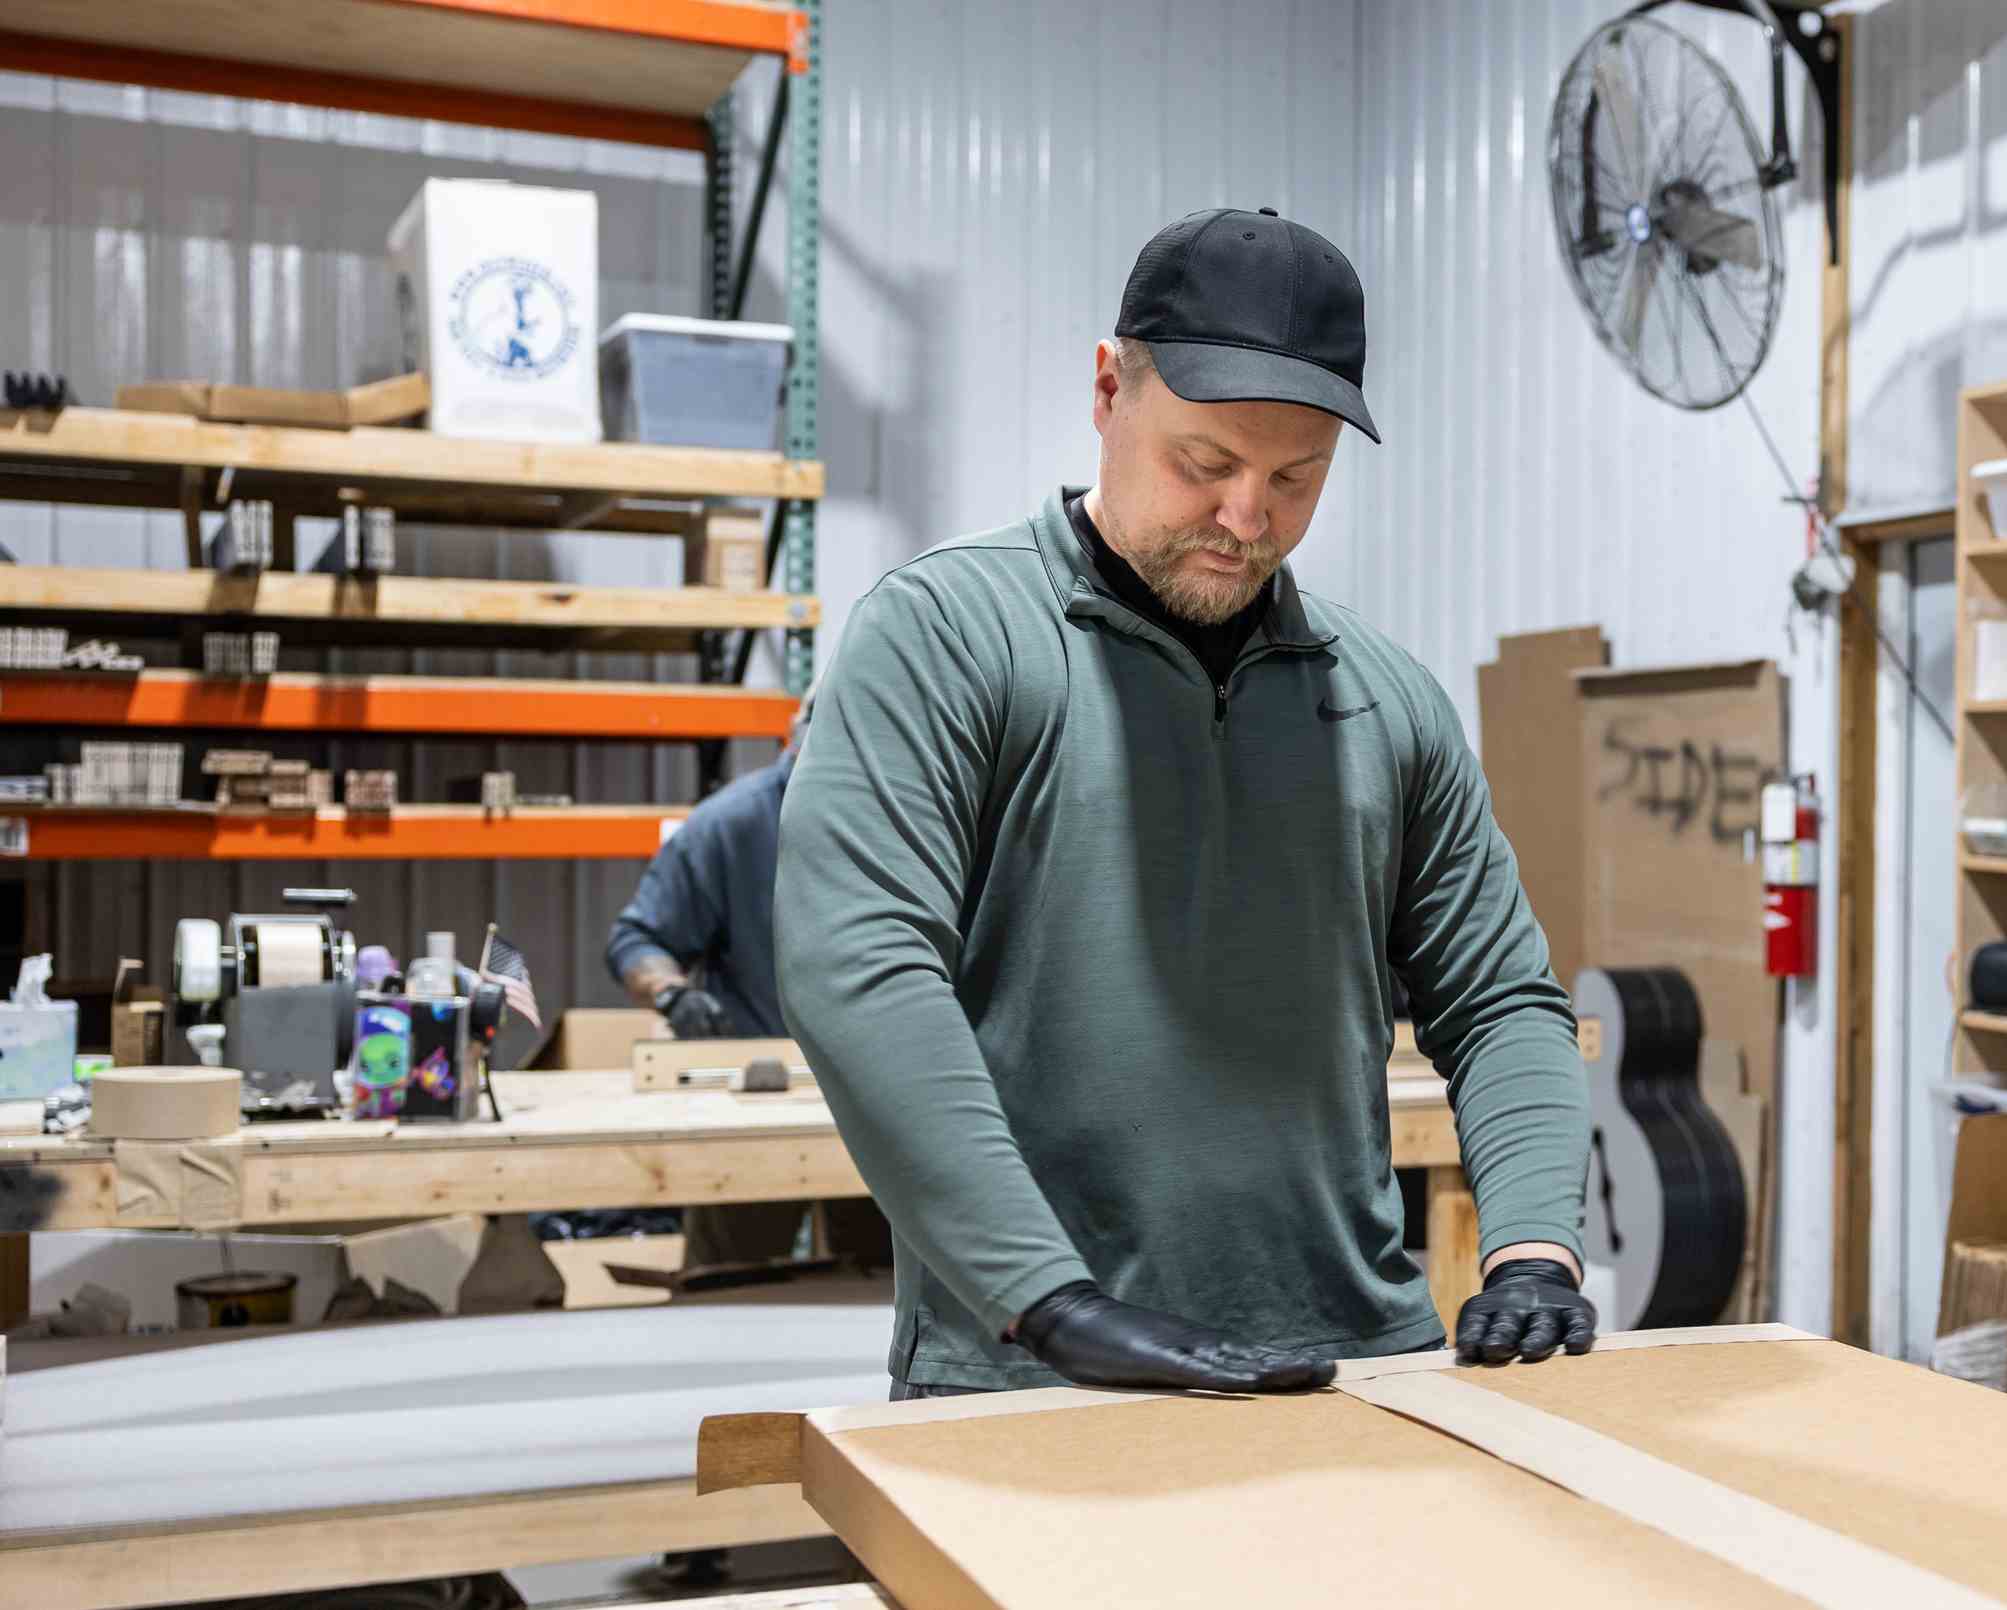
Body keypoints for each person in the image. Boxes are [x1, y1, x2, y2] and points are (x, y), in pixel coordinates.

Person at [778, 207, 1593, 1400]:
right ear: (1109, 390)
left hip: (1358, 1369)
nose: (1246, 517)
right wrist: (1048, 1302)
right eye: (1204, 464)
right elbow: (858, 965)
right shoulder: (945, 636)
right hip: (1038, 1381)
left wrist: (1534, 1246)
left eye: (1295, 477)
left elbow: (1502, 995)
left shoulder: (1383, 700)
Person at [607, 723, 888, 1273]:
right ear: (794, 745)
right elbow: (638, 941)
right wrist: (671, 994)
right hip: (753, 1099)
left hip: (875, 1094)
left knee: (879, 1281)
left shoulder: (896, 814)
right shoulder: (730, 825)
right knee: (731, 1282)